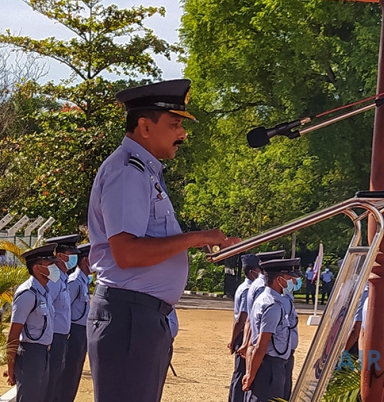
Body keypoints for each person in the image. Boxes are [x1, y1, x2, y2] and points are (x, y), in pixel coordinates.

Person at [86, 79, 240, 402]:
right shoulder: (128, 172)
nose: (182, 134)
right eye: (174, 125)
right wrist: (194, 237)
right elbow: (127, 253)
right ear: (144, 126)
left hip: (139, 316)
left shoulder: (144, 172)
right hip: (130, 317)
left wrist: (193, 243)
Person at [4, 244, 58, 402]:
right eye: (50, 264)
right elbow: (13, 334)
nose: (54, 268)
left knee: (40, 397)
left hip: (44, 352)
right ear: (37, 267)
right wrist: (11, 368)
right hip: (30, 354)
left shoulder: (44, 291)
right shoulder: (27, 293)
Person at [242, 258, 301, 402]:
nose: (292, 281)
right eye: (288, 278)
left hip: (269, 364)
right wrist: (250, 375)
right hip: (270, 367)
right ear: (279, 279)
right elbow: (261, 346)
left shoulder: (265, 299)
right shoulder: (272, 306)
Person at [44, 234, 81, 402]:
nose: (74, 258)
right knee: (50, 384)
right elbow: (46, 310)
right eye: (70, 254)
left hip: (62, 338)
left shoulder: (63, 280)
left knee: (57, 382)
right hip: (53, 339)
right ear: (59, 256)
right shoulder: (54, 281)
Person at [58, 243, 92, 402]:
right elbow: (64, 310)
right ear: (86, 260)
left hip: (82, 332)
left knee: (75, 372)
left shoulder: (83, 281)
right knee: (68, 373)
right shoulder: (75, 282)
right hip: (73, 332)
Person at [228, 254, 261, 402]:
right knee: (241, 372)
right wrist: (234, 340)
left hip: (242, 334)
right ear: (252, 272)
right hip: (243, 335)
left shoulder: (244, 287)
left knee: (240, 372)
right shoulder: (248, 289)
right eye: (259, 270)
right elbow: (242, 318)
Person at [280, 269, 302, 399]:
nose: (296, 281)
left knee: (286, 381)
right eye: (293, 278)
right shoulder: (282, 299)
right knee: (282, 385)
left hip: (287, 349)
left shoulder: (287, 298)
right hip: (282, 350)